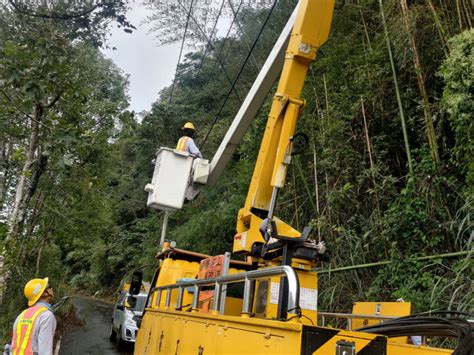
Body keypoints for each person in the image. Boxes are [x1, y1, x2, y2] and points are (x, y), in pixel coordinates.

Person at [11, 277, 56, 355]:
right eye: (49, 286)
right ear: (44, 293)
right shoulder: (46, 316)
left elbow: (14, 345)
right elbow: (45, 351)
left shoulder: (22, 314)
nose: (51, 288)